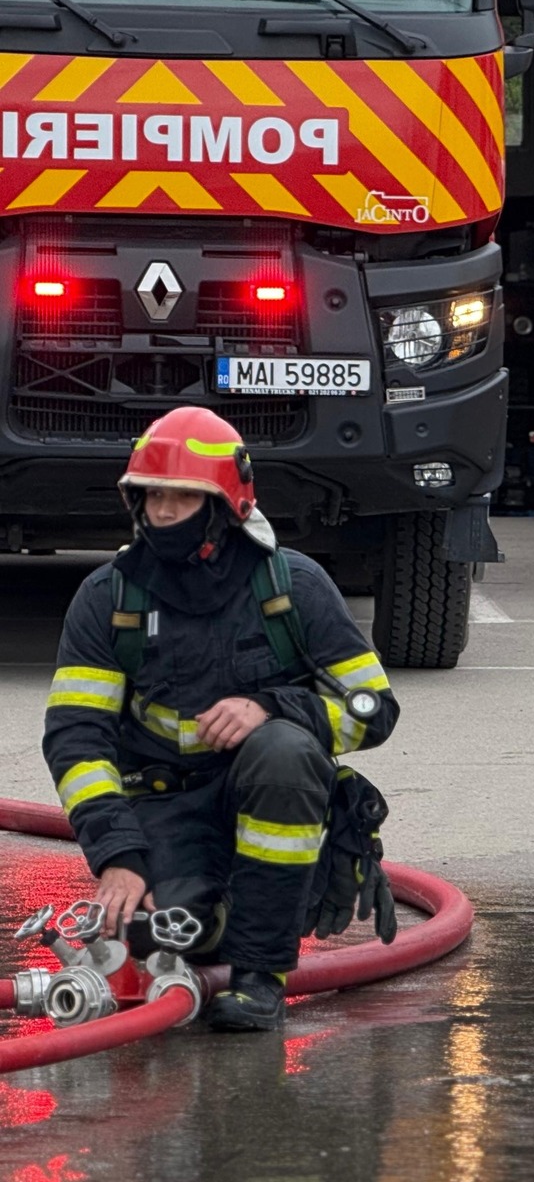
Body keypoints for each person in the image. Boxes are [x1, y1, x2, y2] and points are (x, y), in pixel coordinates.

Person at [41, 407, 400, 1031]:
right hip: (161, 804)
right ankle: (238, 906)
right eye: (151, 496)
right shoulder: (111, 598)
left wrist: (272, 706)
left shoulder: (293, 588)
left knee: (284, 751)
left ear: (225, 505)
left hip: (263, 792)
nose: (162, 512)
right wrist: (118, 855)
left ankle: (262, 973)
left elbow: (373, 712)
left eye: (181, 496)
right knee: (165, 938)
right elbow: (77, 738)